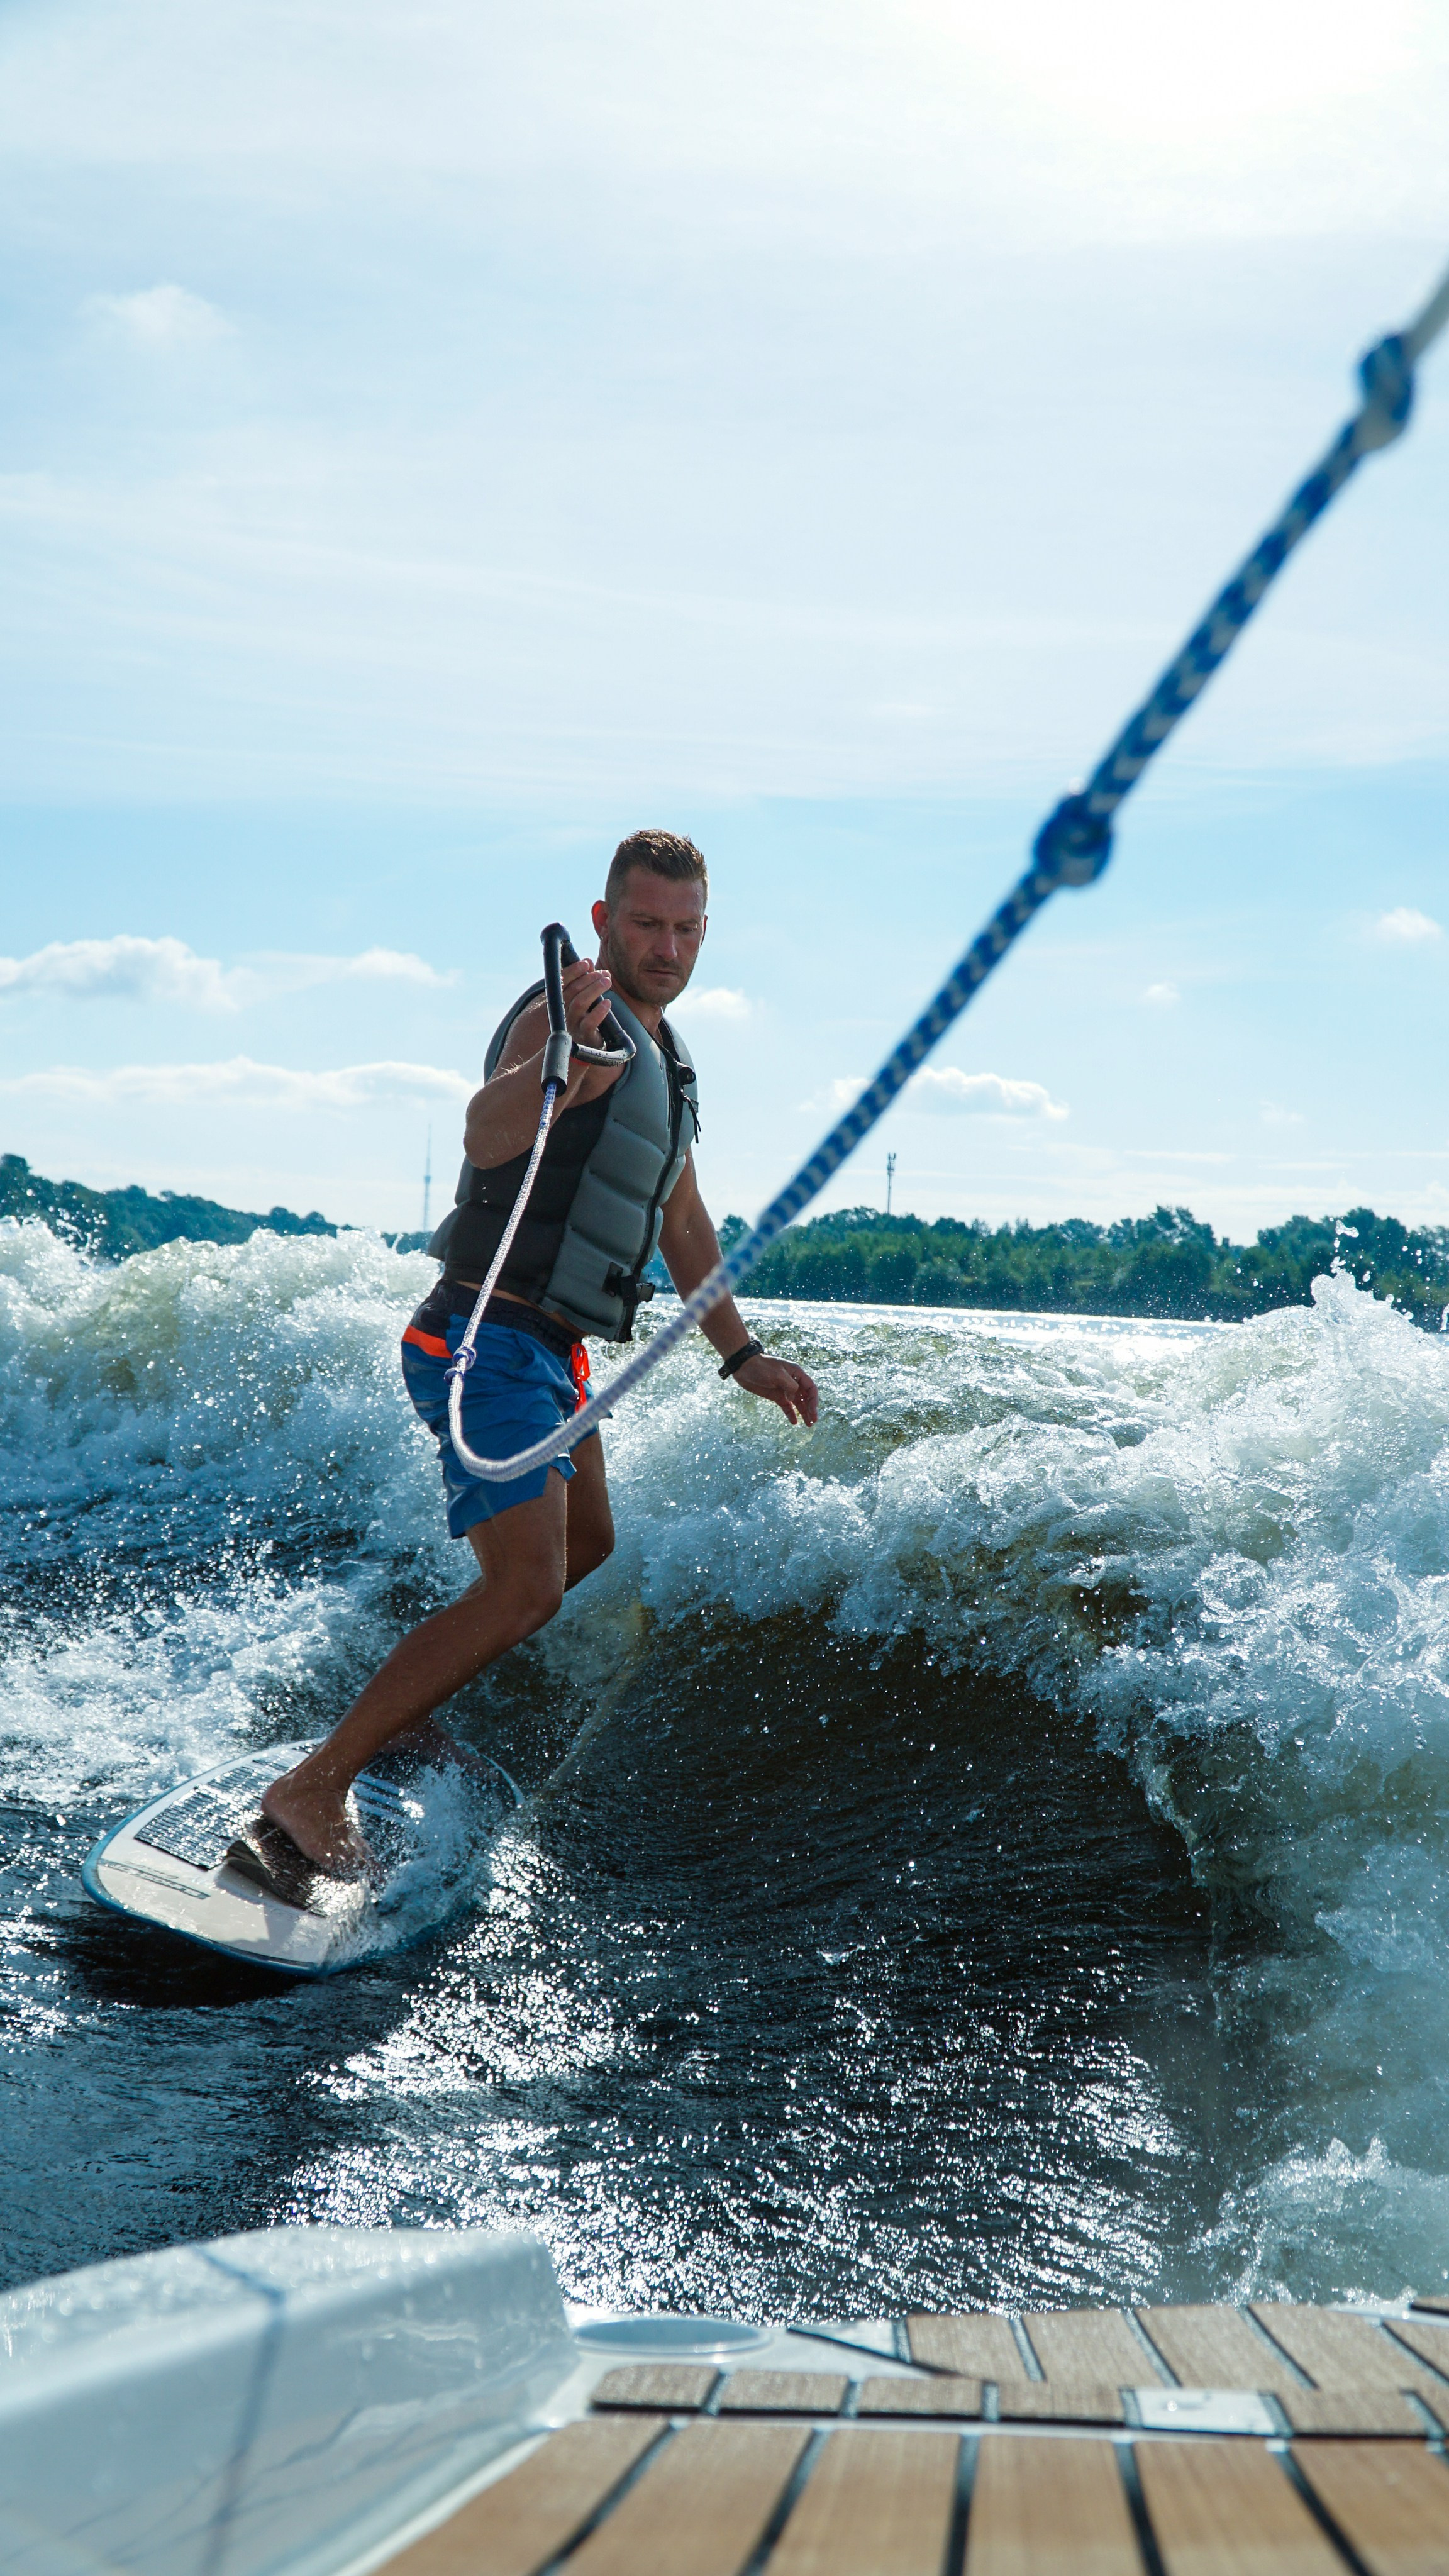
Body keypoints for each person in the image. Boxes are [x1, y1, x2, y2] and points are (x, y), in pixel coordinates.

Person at [240, 830, 818, 1886]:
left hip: (552, 1355)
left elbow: (679, 1212)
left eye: (687, 928)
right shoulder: (566, 1015)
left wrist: (742, 1355)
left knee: (584, 1544)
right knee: (526, 1592)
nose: (667, 946)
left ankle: (403, 1716)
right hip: (483, 1338)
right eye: (646, 923)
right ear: (604, 923)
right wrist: (571, 1062)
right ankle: (312, 1789)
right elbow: (486, 1132)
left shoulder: (670, 1052)